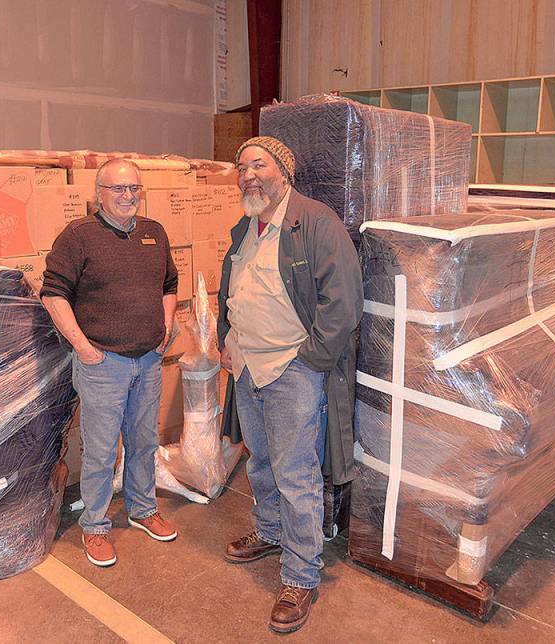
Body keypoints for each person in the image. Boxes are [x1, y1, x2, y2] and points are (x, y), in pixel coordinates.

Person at [217, 137, 363, 633]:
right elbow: (230, 291)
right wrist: (226, 339)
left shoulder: (315, 222)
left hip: (290, 369)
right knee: (261, 462)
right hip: (247, 366)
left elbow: (342, 302)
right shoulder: (246, 227)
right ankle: (272, 532)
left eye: (259, 164)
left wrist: (310, 362)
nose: (248, 174)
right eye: (242, 167)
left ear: (284, 171)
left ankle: (301, 575)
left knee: (296, 473)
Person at [41, 158, 179, 568]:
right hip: (104, 364)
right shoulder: (78, 236)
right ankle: (96, 526)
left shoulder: (155, 233)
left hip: (148, 360)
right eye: (118, 189)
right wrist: (84, 348)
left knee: (144, 442)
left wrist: (166, 325)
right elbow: (53, 294)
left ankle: (142, 508)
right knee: (101, 451)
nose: (127, 196)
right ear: (98, 193)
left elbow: (169, 284)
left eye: (134, 188)